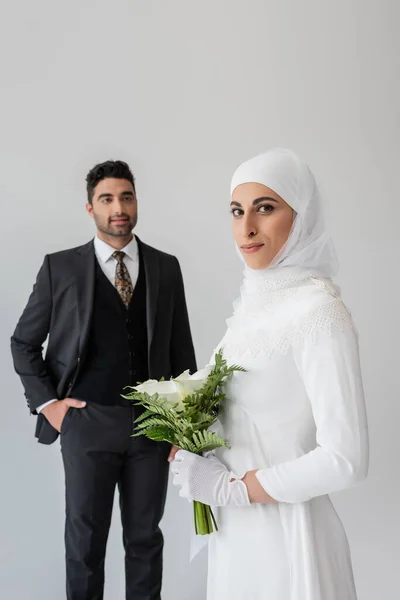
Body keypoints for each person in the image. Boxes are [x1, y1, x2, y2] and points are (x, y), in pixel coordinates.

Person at [170, 148, 369, 600]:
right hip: (236, 539)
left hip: (289, 540)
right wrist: (191, 450)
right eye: (237, 212)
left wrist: (240, 490)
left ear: (301, 216)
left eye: (266, 208)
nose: (247, 228)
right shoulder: (249, 311)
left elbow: (347, 458)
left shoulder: (318, 311)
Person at [11, 160, 197, 600]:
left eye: (126, 197)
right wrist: (49, 405)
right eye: (108, 199)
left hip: (151, 426)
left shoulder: (165, 267)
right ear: (90, 208)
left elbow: (181, 352)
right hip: (86, 422)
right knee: (84, 544)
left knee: (145, 541)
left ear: (136, 203)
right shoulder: (60, 267)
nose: (119, 207)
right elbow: (23, 342)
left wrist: (183, 426)